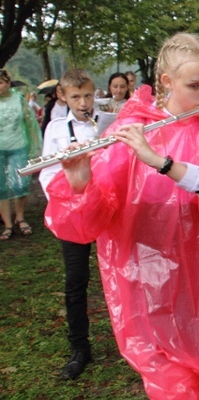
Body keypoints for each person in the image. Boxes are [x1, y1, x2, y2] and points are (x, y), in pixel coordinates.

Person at [44, 33, 199, 397]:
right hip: (143, 274)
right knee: (168, 378)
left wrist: (163, 163)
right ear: (166, 81)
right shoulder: (128, 132)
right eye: (195, 85)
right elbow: (87, 223)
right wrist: (80, 183)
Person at [39, 69, 100, 379]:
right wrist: (71, 183)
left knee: (125, 275)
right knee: (76, 280)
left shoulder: (108, 123)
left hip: (107, 210)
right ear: (63, 96)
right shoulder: (55, 128)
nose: (83, 102)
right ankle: (79, 347)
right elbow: (46, 173)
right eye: (76, 96)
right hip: (74, 213)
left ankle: (140, 342)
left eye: (88, 95)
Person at [0, 69, 42, 240]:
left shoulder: (18, 100)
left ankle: (20, 217)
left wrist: (35, 148)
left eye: (1, 83)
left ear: (8, 83)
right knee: (1, 187)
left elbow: (30, 124)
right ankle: (8, 224)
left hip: (19, 146)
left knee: (20, 184)